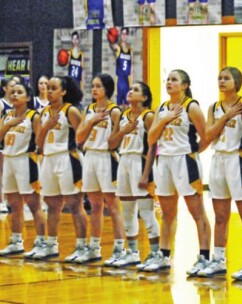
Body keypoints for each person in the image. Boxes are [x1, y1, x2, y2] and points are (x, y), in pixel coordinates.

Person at [197, 67, 242, 279]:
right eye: (219, 78)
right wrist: (224, 117)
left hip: (238, 159)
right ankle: (219, 259)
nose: (221, 81)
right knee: (220, 215)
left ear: (237, 82)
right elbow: (208, 134)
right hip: (218, 160)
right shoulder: (214, 107)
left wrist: (229, 117)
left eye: (226, 78)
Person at [147, 69, 211, 272]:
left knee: (197, 212)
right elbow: (151, 138)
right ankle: (164, 256)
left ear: (184, 85)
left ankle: (204, 257)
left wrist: (193, 152)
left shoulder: (191, 107)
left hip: (185, 160)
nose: (169, 82)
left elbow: (206, 135)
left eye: (174, 80)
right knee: (167, 213)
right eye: (168, 79)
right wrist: (164, 119)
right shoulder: (162, 108)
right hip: (163, 161)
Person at [32, 76, 88, 261]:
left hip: (67, 158)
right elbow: (38, 143)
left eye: (53, 88)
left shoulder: (70, 110)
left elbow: (82, 137)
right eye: (47, 88)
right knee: (52, 205)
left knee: (74, 204)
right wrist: (46, 127)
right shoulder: (44, 112)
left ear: (63, 92)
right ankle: (51, 245)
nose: (49, 91)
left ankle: (82, 247)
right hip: (48, 159)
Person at [107, 81, 161, 268]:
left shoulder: (148, 116)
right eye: (130, 89)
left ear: (144, 98)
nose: (130, 91)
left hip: (141, 161)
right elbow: (111, 144)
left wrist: (146, 174)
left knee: (146, 211)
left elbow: (154, 146)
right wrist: (123, 130)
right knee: (128, 211)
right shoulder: (122, 115)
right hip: (124, 161)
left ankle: (156, 254)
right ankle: (132, 252)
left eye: (136, 90)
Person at [75, 73, 126, 265]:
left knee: (113, 206)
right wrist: (90, 121)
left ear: (107, 89)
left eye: (98, 86)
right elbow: (79, 137)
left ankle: (120, 248)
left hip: (107, 157)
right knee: (95, 206)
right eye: (92, 86)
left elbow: (115, 141)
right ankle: (94, 247)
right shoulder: (89, 109)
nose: (94, 89)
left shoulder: (114, 111)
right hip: (90, 157)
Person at [0, 82, 47, 257]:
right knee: (14, 204)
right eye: (12, 92)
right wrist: (9, 124)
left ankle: (42, 241)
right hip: (9, 160)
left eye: (19, 92)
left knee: (34, 204)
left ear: (28, 97)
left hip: (26, 160)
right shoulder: (6, 116)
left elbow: (40, 139)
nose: (14, 95)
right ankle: (15, 241)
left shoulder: (34, 116)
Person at [0, 77, 21, 214]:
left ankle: (14, 200)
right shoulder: (1, 104)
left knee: (15, 173)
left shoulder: (18, 105)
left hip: (17, 142)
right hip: (3, 142)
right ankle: (2, 201)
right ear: (5, 88)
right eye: (12, 86)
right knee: (2, 172)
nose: (15, 89)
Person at [109, 27, 133, 109]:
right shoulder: (118, 48)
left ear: (128, 35)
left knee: (127, 105)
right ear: (120, 35)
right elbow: (113, 45)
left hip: (127, 80)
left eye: (126, 34)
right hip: (119, 80)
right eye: (122, 34)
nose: (124, 36)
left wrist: (131, 83)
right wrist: (111, 35)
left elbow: (131, 67)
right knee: (119, 106)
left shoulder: (130, 50)